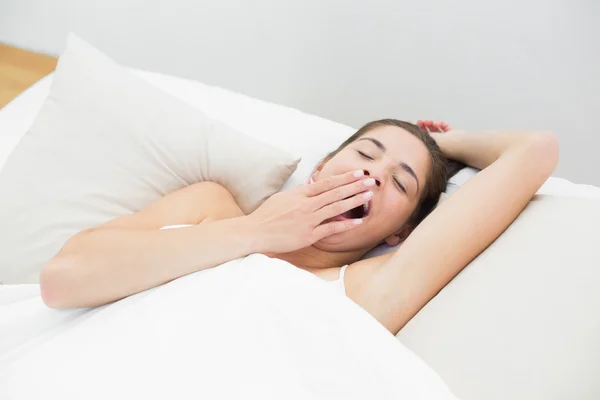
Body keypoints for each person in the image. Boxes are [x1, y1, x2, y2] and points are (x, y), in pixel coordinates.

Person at [39, 119, 558, 336]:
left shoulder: (370, 290)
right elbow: (63, 280)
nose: (373, 174)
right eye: (365, 154)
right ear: (322, 168)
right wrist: (257, 234)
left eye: (399, 184)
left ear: (399, 232)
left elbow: (535, 151)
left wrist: (440, 143)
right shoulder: (209, 206)